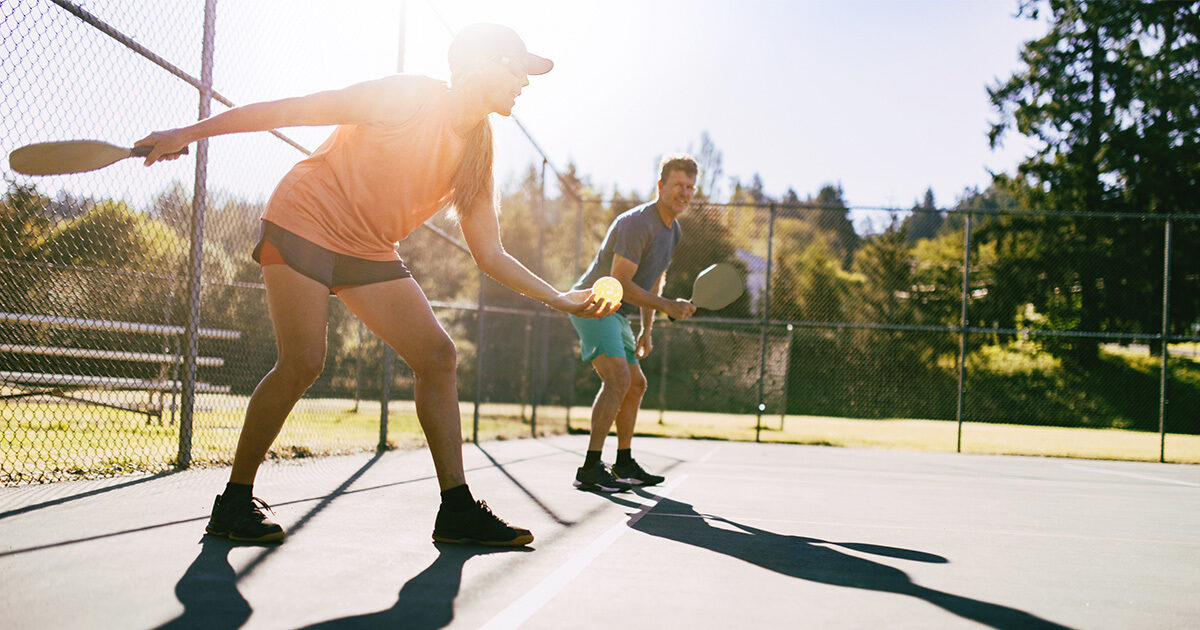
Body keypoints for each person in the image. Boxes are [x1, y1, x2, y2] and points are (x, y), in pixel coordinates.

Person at [137, 24, 616, 546]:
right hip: (307, 216)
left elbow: (491, 254)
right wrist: (188, 132)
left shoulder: (477, 150)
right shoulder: (411, 96)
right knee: (303, 361)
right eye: (518, 67)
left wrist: (560, 298)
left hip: (366, 246)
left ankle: (456, 510)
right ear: (485, 63)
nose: (524, 81)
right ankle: (233, 501)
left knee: (437, 356)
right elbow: (293, 108)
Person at [569, 155, 698, 492]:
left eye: (690, 187)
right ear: (660, 186)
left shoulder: (674, 230)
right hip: (594, 303)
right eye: (677, 186)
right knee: (618, 380)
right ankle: (590, 468)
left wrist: (647, 328)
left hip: (617, 312)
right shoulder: (637, 223)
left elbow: (654, 281)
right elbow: (621, 282)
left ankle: (623, 462)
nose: (684, 193)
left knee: (636, 385)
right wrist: (669, 306)